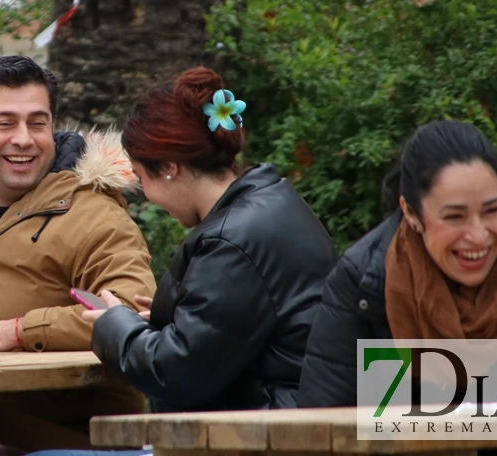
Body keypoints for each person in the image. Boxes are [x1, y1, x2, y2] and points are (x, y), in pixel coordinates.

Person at [0, 55, 156, 451]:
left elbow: (132, 317)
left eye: (37, 122)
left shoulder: (95, 213)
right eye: (5, 123)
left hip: (67, 439)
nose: (24, 139)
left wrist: (16, 331)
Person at [80, 66, 336, 414]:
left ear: (170, 167)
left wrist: (115, 327)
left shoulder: (232, 241)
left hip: (275, 435)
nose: (149, 195)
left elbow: (177, 373)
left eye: (143, 177)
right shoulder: (269, 206)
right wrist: (165, 320)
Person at [298, 120, 497, 407]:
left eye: (492, 210)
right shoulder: (363, 284)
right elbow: (321, 425)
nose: (478, 235)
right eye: (454, 217)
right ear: (411, 214)